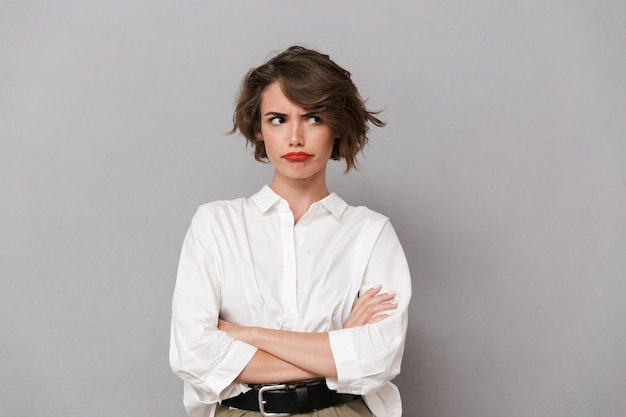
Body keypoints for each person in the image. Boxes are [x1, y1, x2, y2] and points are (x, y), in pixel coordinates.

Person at [170, 45, 412, 417]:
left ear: (337, 127)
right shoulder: (216, 225)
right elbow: (194, 355)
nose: (296, 137)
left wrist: (246, 334)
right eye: (278, 119)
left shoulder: (370, 232)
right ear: (258, 128)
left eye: (314, 118)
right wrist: (337, 349)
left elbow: (377, 360)